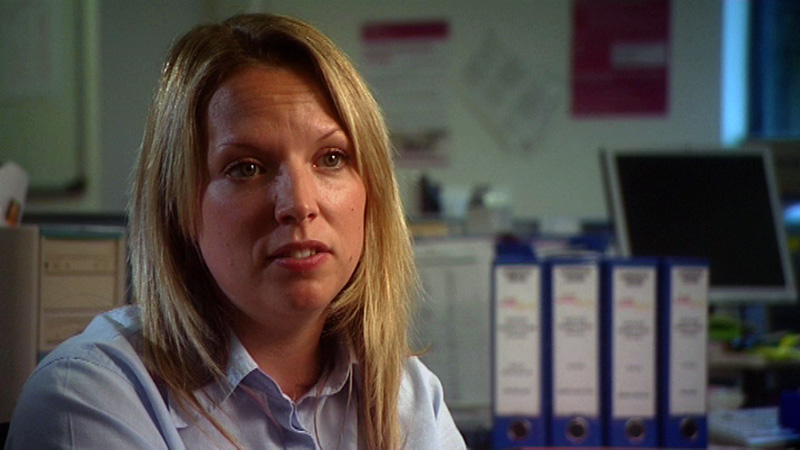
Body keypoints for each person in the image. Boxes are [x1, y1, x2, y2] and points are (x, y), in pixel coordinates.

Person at [6, 13, 466, 449]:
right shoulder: (89, 395)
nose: (299, 204)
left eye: (331, 158)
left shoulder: (409, 398)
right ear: (180, 207)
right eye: (246, 168)